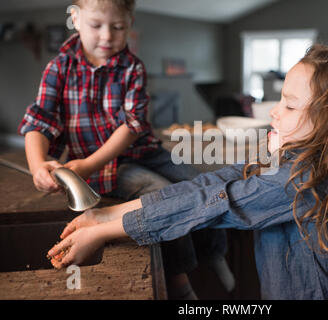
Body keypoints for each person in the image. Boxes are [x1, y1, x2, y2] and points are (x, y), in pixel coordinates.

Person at [47, 42, 328, 299]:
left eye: (289, 105)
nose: (274, 112)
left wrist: (106, 230)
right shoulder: (295, 162)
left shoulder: (304, 181)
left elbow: (215, 203)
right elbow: (214, 184)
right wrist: (105, 217)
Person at [18, 0, 232, 300]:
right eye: (96, 26)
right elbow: (39, 122)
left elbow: (132, 126)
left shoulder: (132, 67)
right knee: (159, 194)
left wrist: (88, 164)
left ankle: (213, 252)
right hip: (109, 166)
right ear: (76, 19)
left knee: (202, 183)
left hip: (143, 151)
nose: (107, 36)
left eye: (117, 27)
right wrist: (37, 164)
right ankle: (179, 277)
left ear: (129, 24)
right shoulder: (58, 68)